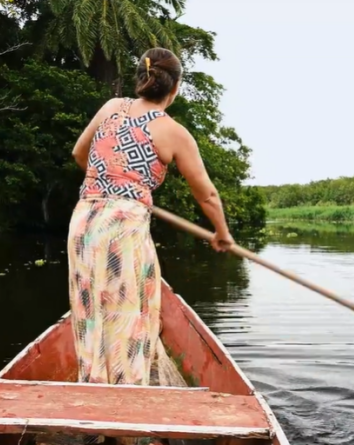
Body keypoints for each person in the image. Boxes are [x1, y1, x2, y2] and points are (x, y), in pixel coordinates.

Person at [66, 47, 234, 444]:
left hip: (84, 219)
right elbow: (206, 195)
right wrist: (222, 233)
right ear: (174, 89)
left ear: (142, 79)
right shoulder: (172, 131)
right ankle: (125, 415)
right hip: (122, 226)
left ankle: (94, 394)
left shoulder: (111, 107)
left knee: (90, 310)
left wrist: (109, 182)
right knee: (129, 315)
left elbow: (79, 154)